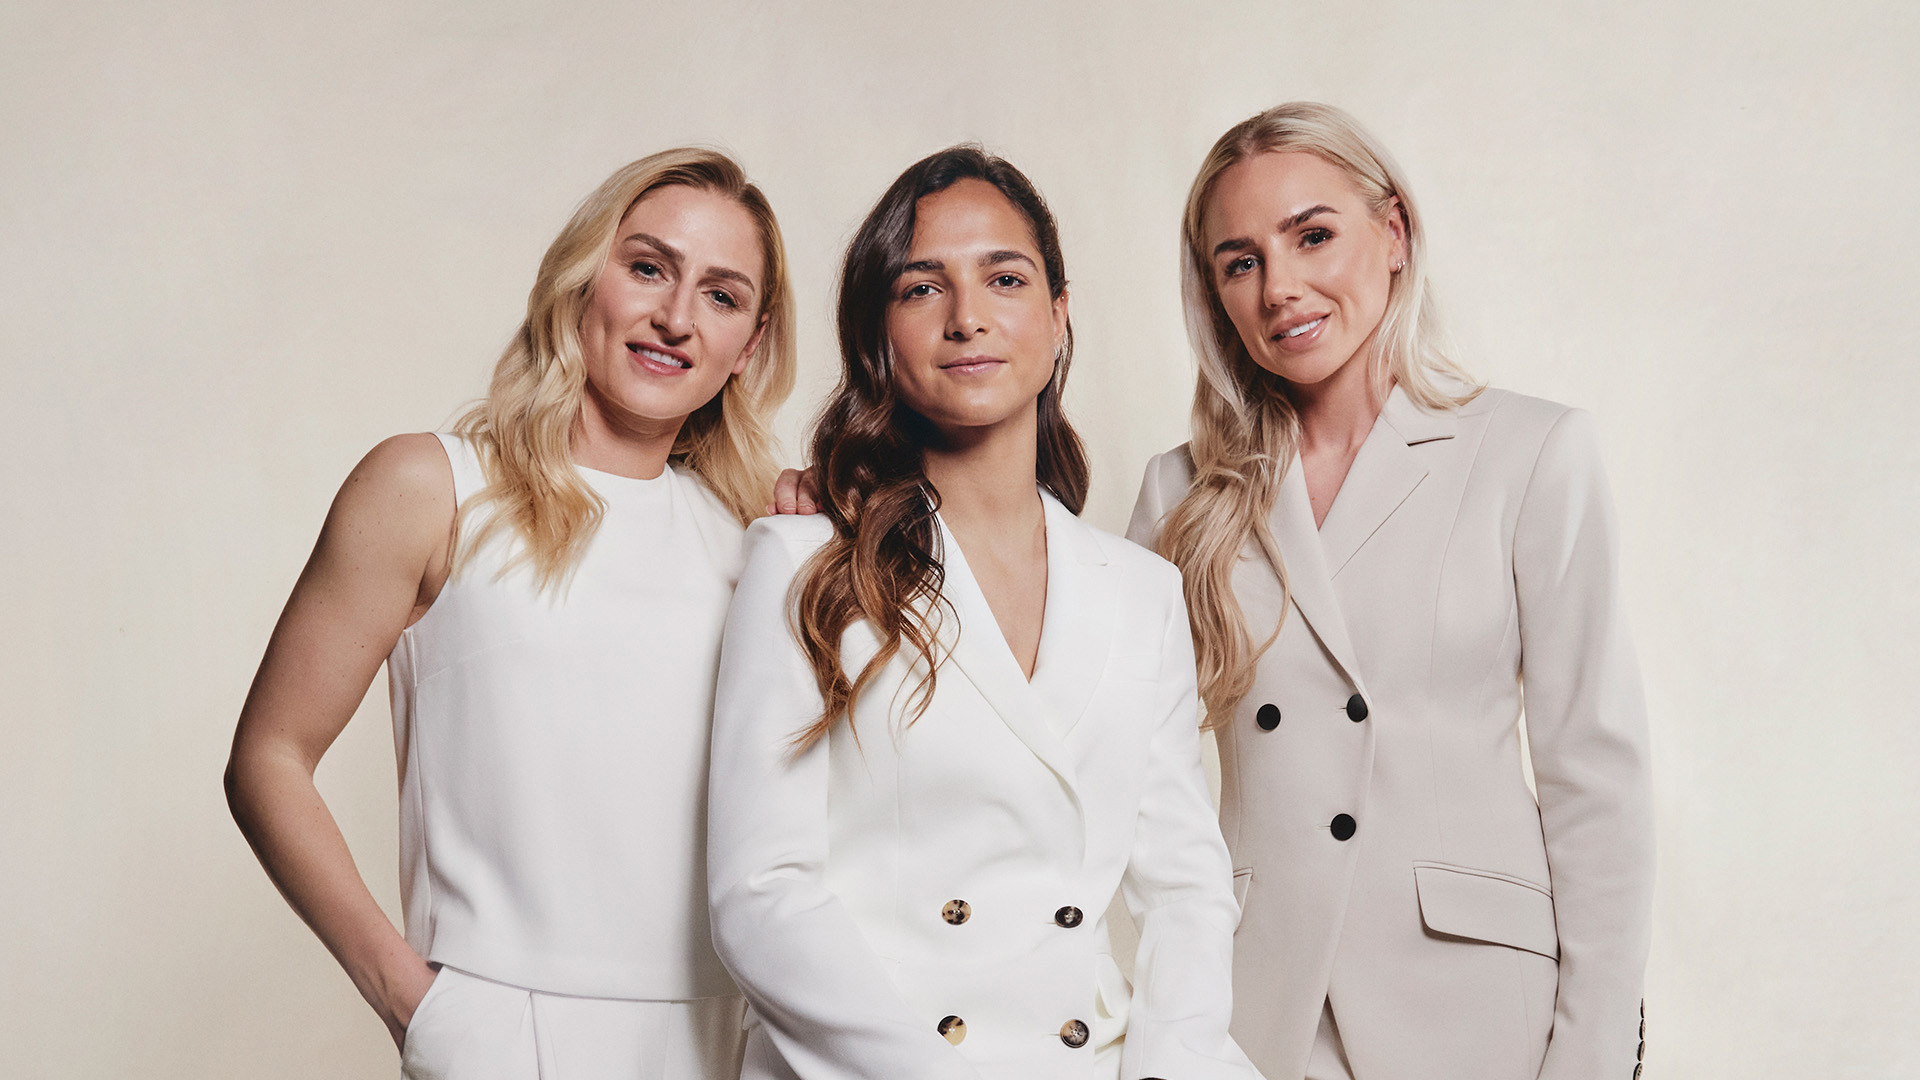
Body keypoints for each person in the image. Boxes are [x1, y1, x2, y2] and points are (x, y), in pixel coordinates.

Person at [223, 147, 796, 1079]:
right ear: (582, 280)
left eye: (722, 296)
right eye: (648, 267)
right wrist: (419, 1008)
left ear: (752, 343)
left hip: (723, 1034)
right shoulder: (433, 487)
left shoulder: (761, 539)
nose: (677, 318)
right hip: (499, 1030)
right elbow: (268, 759)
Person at [706, 146, 1260, 1080]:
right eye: (922, 288)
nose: (968, 318)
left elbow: (1186, 889)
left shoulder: (1139, 589)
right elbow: (761, 893)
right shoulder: (804, 558)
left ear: (1057, 315)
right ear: (877, 333)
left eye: (1004, 278)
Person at [1126, 102, 1653, 1080]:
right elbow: (1105, 746)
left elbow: (1596, 778)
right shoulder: (1183, 490)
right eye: (1240, 262)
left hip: (1473, 999)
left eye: (1313, 236)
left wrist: (1590, 1055)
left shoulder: (1528, 453)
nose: (1281, 287)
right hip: (1257, 1004)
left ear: (1395, 232)